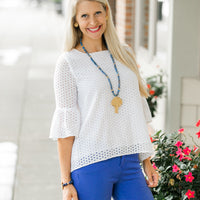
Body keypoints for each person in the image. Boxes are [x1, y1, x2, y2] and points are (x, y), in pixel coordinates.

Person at [49, 0, 160, 199]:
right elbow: (66, 129)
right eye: (84, 16)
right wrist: (66, 183)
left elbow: (135, 112)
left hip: (130, 162)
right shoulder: (68, 63)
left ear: (107, 13)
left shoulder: (125, 54)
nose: (93, 21)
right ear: (75, 21)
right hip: (91, 164)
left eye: (98, 13)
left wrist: (147, 161)